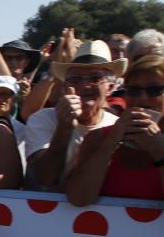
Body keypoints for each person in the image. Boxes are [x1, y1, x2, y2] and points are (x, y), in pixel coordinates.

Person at [66, 55, 164, 217]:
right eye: (133, 90)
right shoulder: (97, 138)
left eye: (154, 90)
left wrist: (162, 150)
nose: (142, 98)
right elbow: (78, 198)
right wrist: (111, 141)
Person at [24, 40, 124, 190]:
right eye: (75, 79)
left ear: (109, 88)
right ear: (65, 87)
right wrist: (64, 128)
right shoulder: (42, 120)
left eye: (95, 78)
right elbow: (46, 178)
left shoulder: (117, 127)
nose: (85, 86)